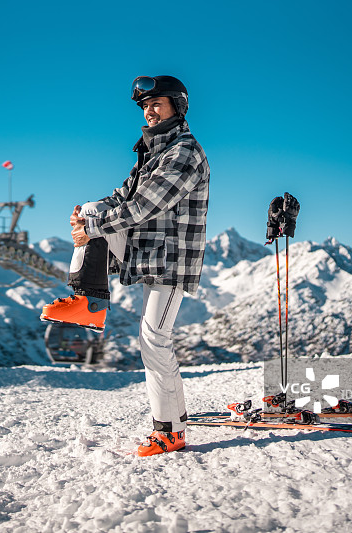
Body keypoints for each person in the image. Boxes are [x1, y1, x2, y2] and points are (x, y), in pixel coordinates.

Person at [40, 75, 210, 457]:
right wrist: (85, 221)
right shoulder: (150, 151)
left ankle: (169, 430)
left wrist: (92, 230)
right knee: (91, 207)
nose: (149, 111)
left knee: (154, 341)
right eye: (145, 106)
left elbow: (145, 205)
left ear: (177, 107)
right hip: (144, 250)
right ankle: (89, 301)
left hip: (170, 260)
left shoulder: (184, 153)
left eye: (157, 104)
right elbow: (121, 196)